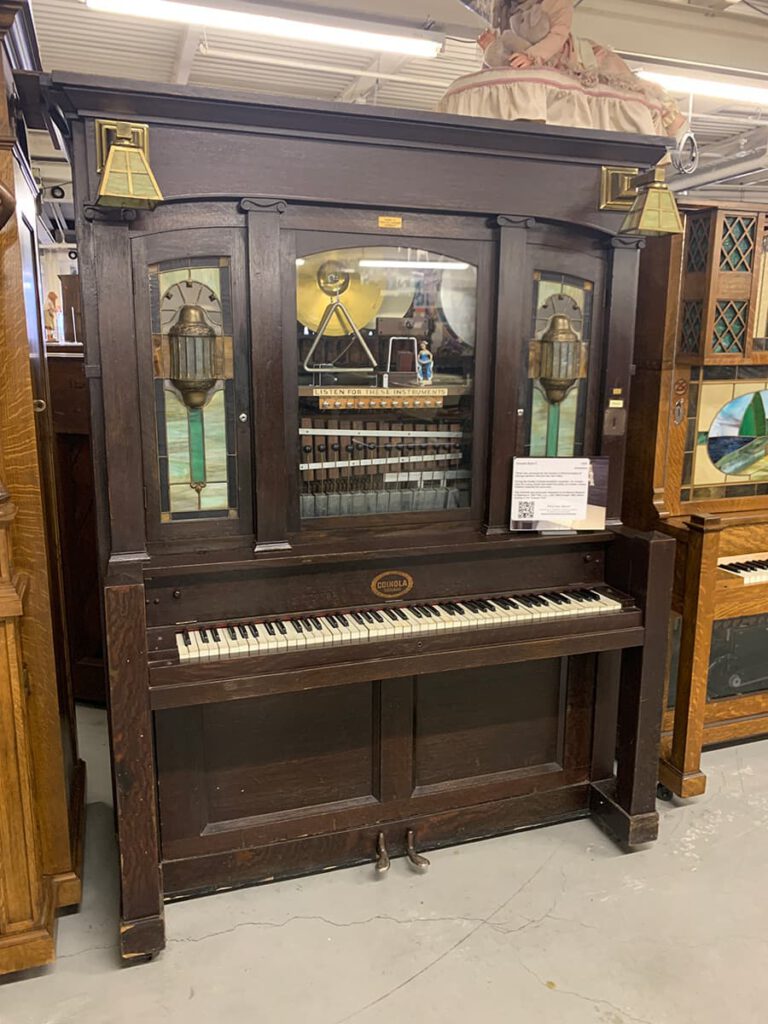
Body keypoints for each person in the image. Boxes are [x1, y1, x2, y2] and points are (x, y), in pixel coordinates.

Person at [475, 0, 686, 137]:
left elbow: (558, 35)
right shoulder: (506, 13)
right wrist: (491, 50)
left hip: (581, 61)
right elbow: (505, 59)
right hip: (543, 68)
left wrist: (532, 57)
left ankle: (671, 119)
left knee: (630, 86)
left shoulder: (554, 4)